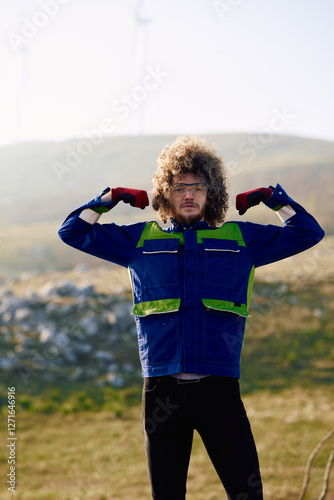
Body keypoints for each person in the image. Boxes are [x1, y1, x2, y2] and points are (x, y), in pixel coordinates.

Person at [58, 136, 324, 500]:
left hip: (219, 390)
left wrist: (275, 199)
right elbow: (71, 231)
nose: (188, 194)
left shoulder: (240, 239)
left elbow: (309, 233)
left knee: (248, 494)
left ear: (210, 193)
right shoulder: (138, 240)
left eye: (197, 186)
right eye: (179, 186)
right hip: (161, 393)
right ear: (164, 193)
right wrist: (107, 200)